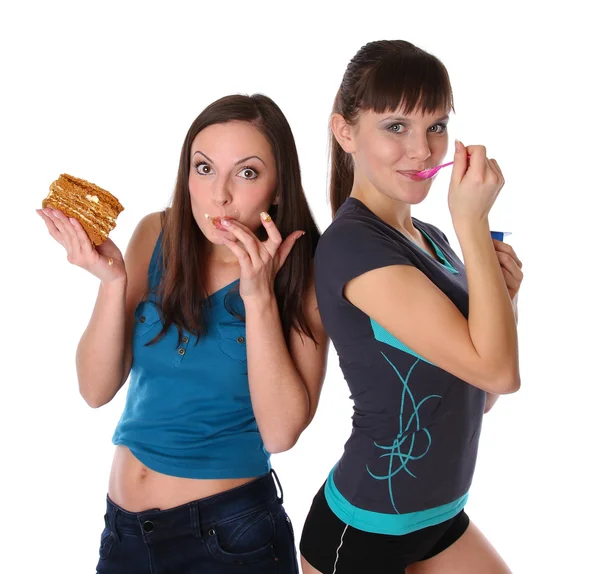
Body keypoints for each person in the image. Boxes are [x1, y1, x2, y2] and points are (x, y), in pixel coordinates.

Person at [37, 93, 328, 574]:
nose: (221, 195)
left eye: (248, 173)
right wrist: (113, 283)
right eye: (205, 168)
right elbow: (95, 390)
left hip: (231, 542)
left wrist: (258, 299)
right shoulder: (157, 234)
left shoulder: (305, 272)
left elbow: (280, 434)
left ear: (278, 189)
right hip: (124, 536)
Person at [299, 40, 523, 574]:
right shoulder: (353, 247)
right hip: (364, 529)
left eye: (437, 126)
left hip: (440, 518)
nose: (423, 150)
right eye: (396, 126)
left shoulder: (431, 240)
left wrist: (506, 296)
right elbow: (500, 371)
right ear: (345, 131)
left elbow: (479, 392)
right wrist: (472, 225)